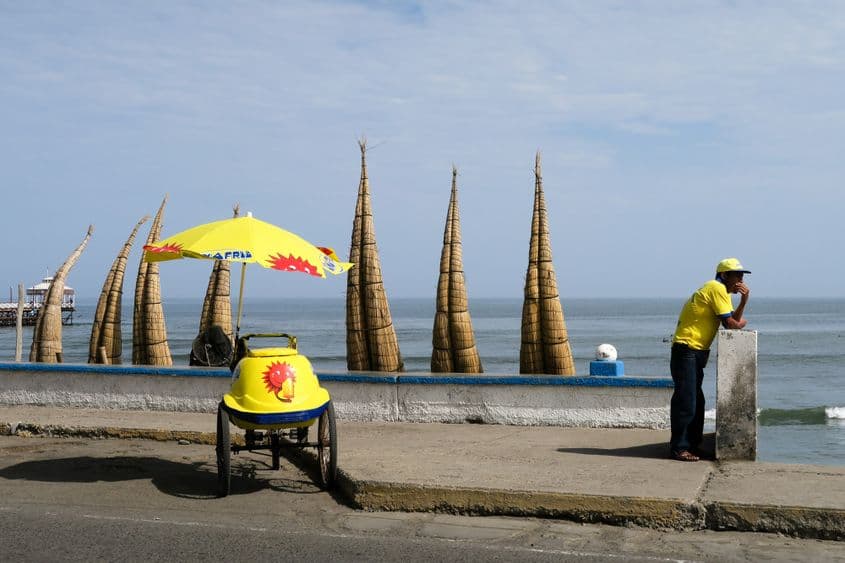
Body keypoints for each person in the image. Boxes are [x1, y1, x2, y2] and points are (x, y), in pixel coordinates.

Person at [669, 258, 751, 462]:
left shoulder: (720, 292)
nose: (740, 279)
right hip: (686, 349)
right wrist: (739, 321)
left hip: (694, 351)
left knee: (697, 401)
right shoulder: (716, 288)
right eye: (737, 275)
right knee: (686, 402)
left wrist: (743, 301)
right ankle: (679, 448)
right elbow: (732, 324)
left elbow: (732, 320)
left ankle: (692, 446)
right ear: (724, 275)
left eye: (742, 275)